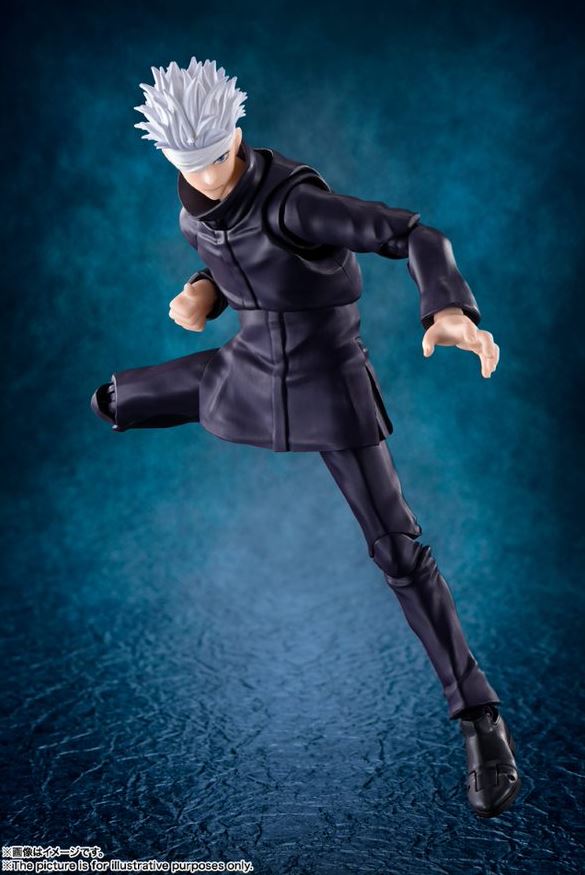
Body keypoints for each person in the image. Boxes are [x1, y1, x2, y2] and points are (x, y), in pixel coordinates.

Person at [91, 57, 520, 817]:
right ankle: (131, 399)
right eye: (190, 167)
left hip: (327, 378)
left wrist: (448, 309)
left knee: (397, 549)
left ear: (237, 137)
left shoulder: (297, 205)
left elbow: (410, 233)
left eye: (216, 159)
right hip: (250, 366)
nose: (208, 180)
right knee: (117, 398)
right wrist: (201, 293)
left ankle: (478, 716)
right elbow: (228, 259)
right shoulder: (194, 201)